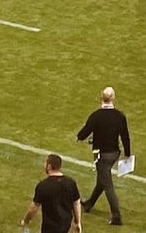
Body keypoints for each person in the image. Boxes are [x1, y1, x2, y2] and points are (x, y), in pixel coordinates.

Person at [76, 86, 131, 226]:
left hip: (102, 155)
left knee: (107, 184)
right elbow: (125, 136)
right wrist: (127, 153)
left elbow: (84, 133)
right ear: (113, 98)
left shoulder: (96, 116)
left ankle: (116, 216)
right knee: (102, 179)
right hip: (114, 154)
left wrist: (80, 137)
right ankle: (89, 203)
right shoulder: (119, 116)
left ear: (101, 97)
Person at [21, 153, 82, 233]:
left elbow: (34, 208)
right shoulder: (71, 183)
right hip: (65, 225)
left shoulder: (43, 185)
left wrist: (26, 220)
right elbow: (76, 203)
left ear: (49, 166)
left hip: (50, 226)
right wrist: (78, 222)